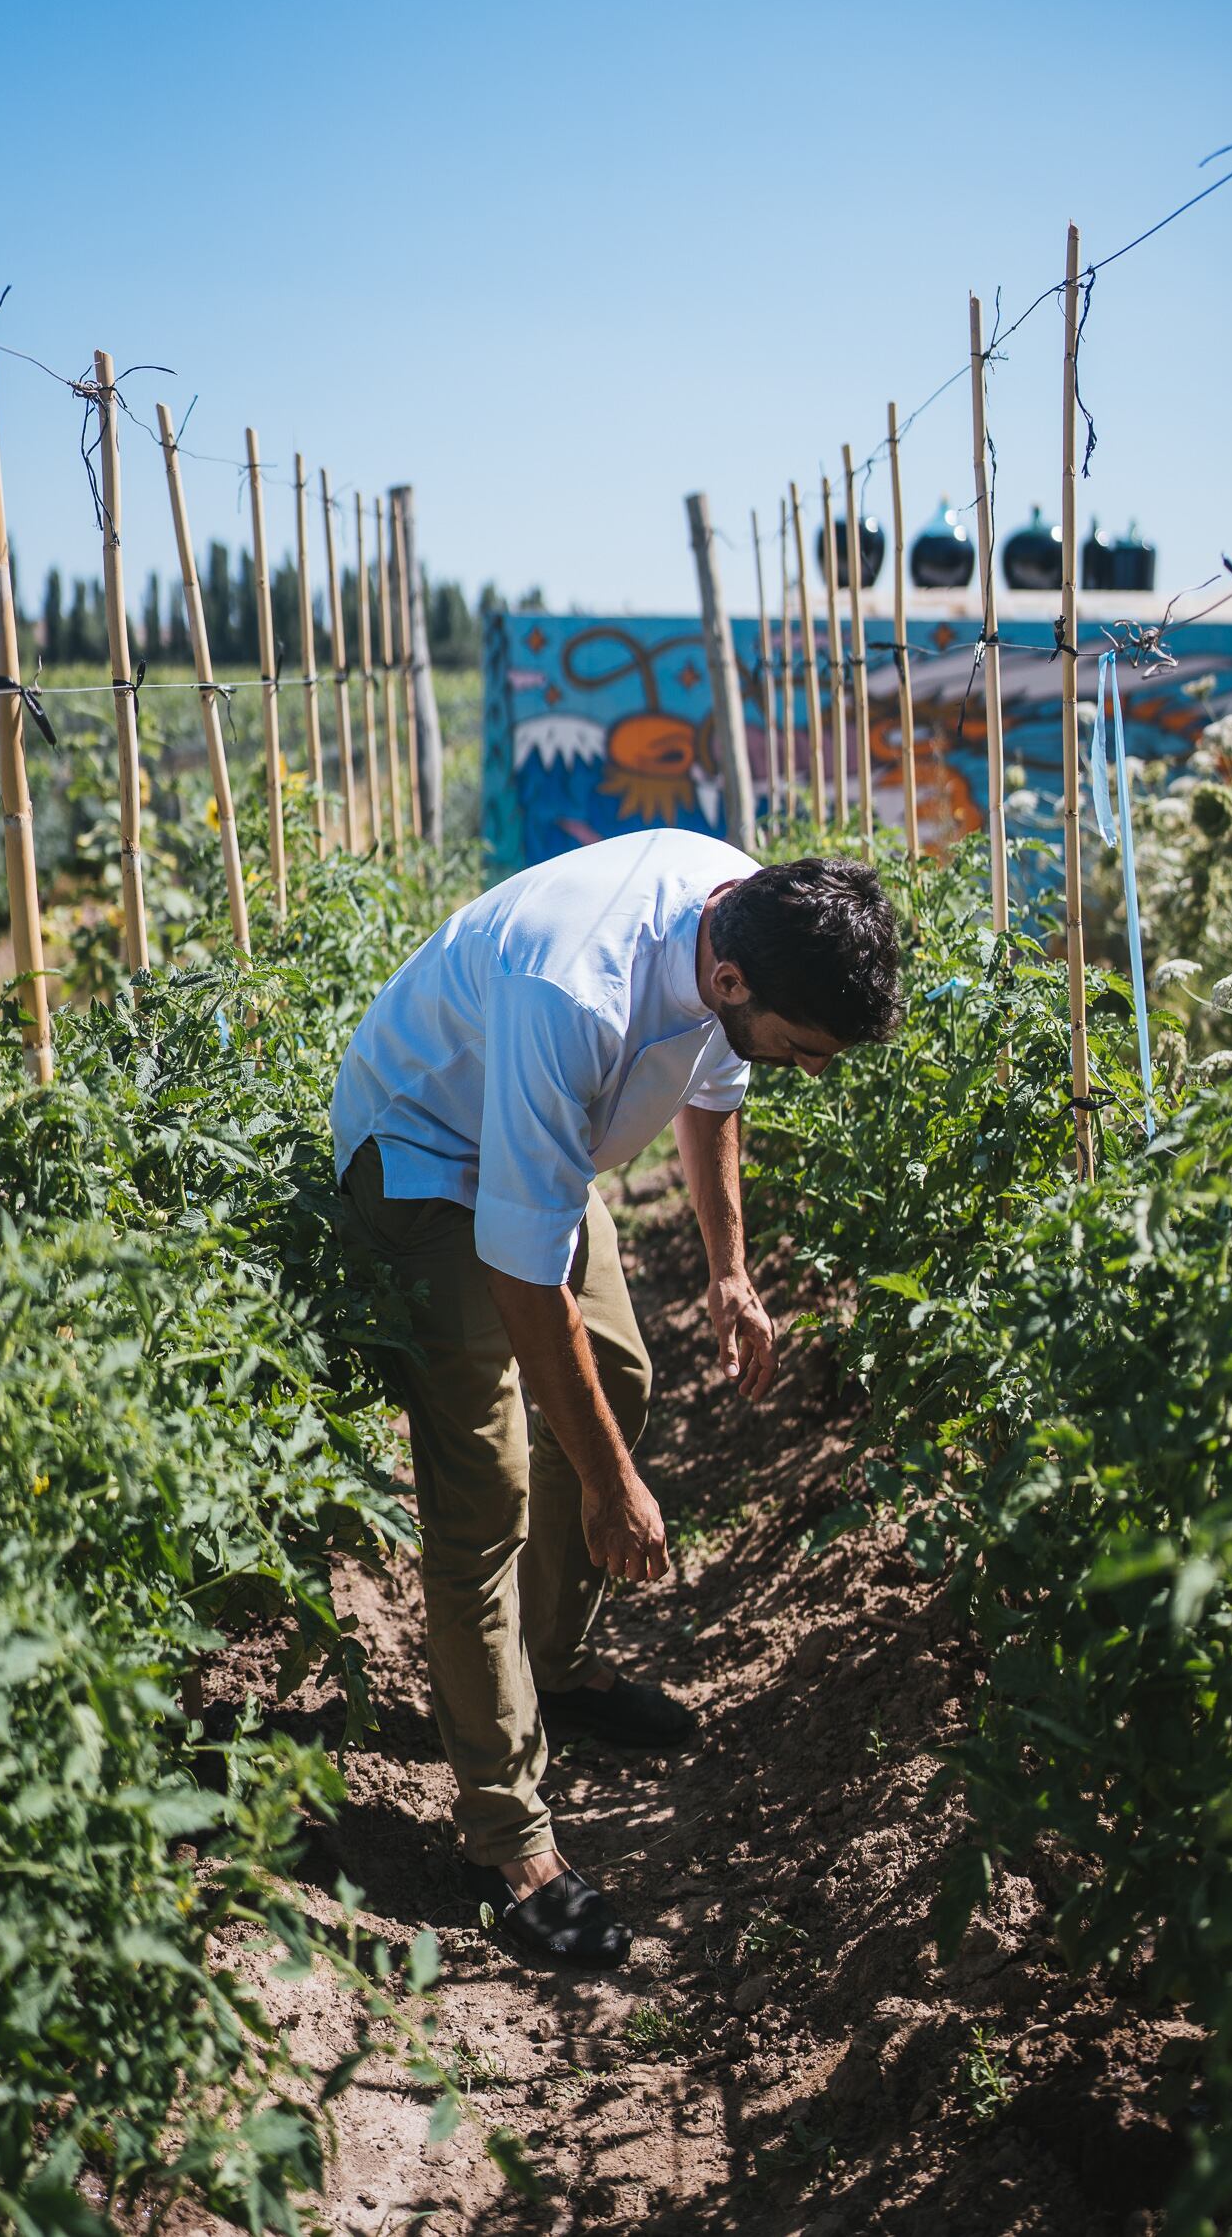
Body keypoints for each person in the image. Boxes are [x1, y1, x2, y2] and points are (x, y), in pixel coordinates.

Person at [332, 829, 901, 1967]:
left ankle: (554, 1665)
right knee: (485, 1488)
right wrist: (606, 1485)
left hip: (530, 1146)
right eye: (803, 1049)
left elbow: (715, 1092)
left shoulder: (737, 905)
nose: (812, 1072)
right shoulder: (574, 995)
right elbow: (516, 1268)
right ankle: (502, 1837)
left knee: (623, 1378)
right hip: (421, 1154)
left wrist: (729, 1272)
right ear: (729, 982)